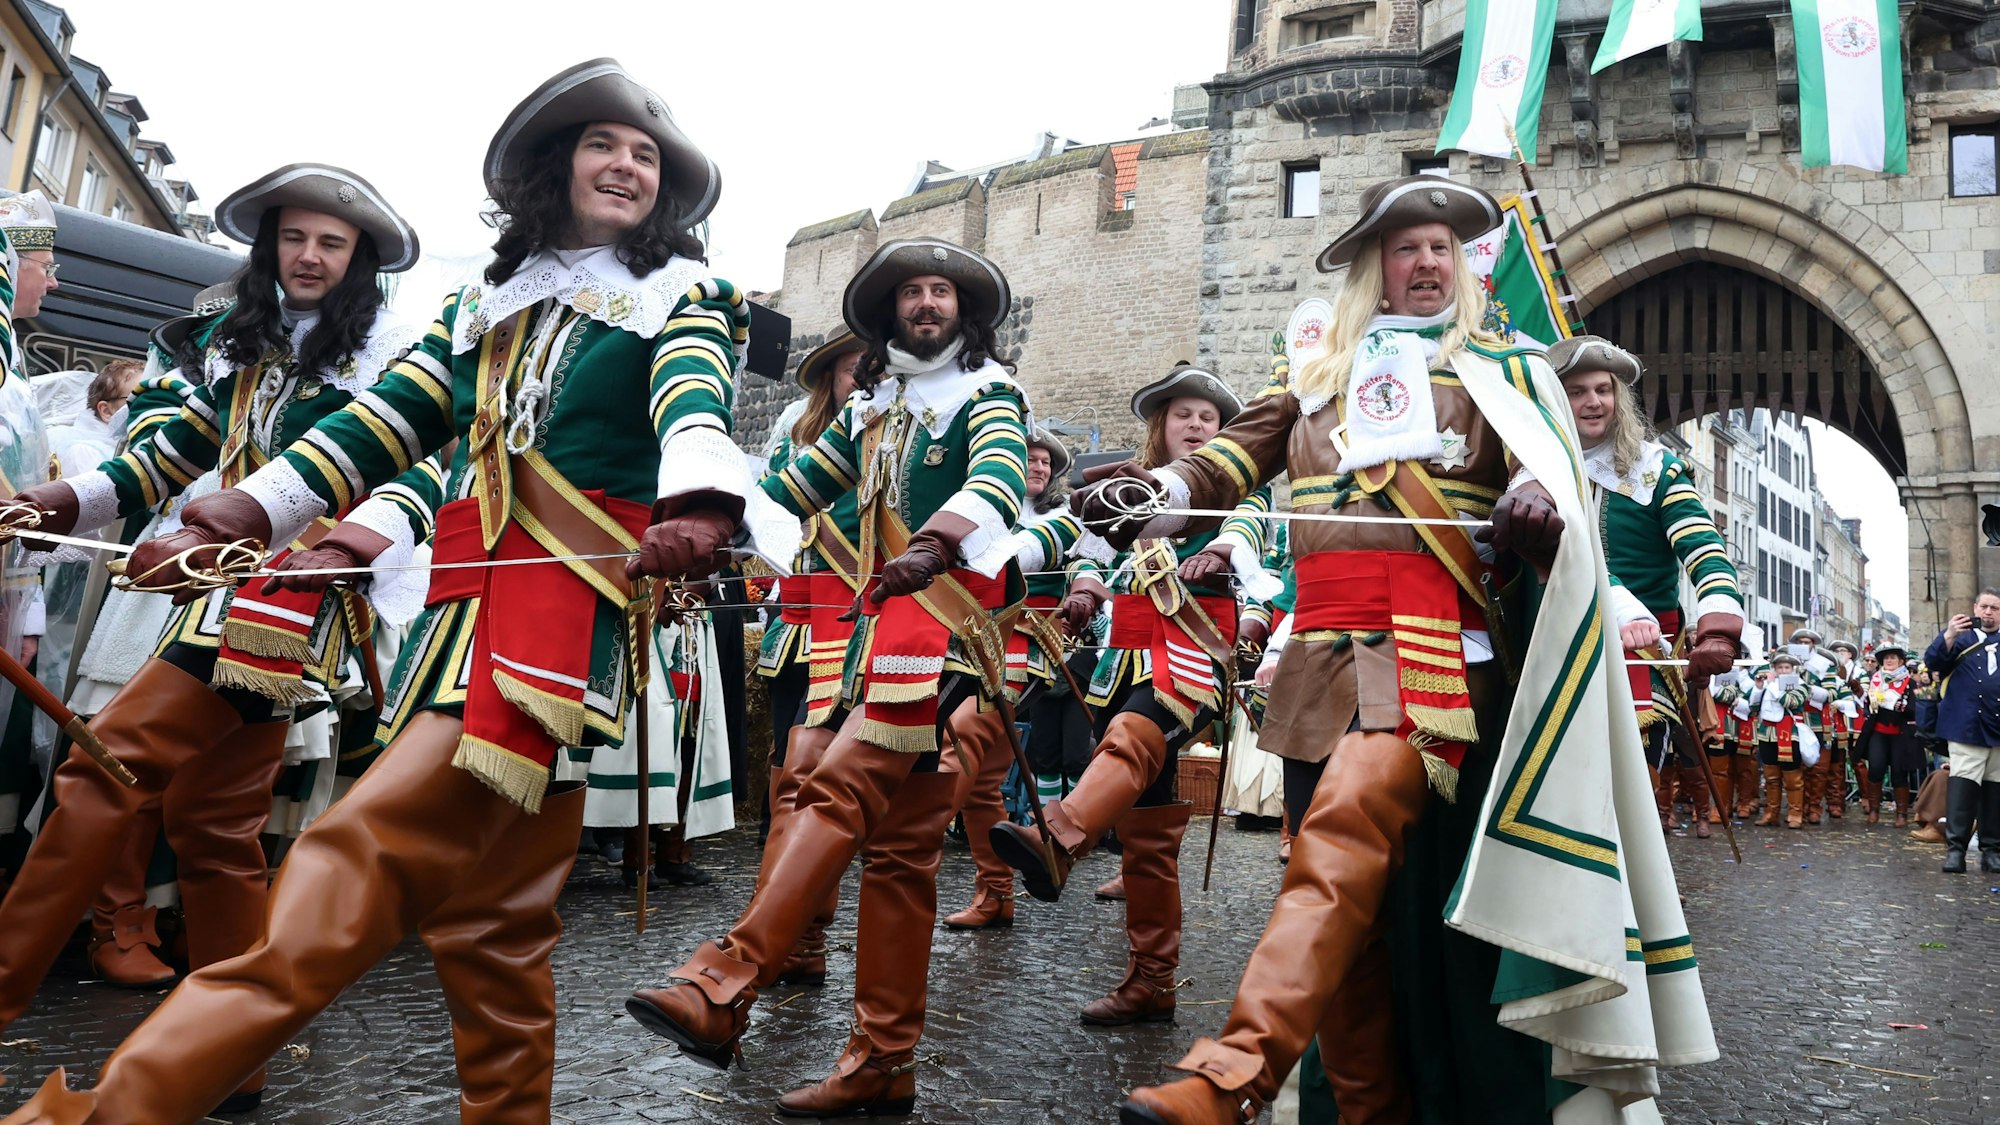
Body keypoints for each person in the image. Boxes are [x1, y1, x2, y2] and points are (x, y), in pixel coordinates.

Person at [0, 58, 791, 1124]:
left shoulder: (680, 297)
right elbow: (392, 423)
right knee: (494, 937)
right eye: (602, 145)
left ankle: (107, 1113)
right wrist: (256, 505)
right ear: (551, 173)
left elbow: (693, 395)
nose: (625, 165)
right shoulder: (486, 305)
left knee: (339, 864)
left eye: (646, 154)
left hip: (548, 641)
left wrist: (700, 501)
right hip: (454, 635)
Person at [1088, 175, 1714, 1125]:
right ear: (1374, 265)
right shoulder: (1314, 373)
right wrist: (1149, 493)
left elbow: (1560, 495)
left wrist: (1541, 508)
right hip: (1317, 664)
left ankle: (1235, 1070)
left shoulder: (1506, 366)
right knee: (1355, 927)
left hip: (1443, 656)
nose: (1427, 262)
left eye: (1442, 248)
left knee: (1343, 831)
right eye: (1407, 246)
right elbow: (1228, 461)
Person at [0, 165, 436, 1116]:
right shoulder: (248, 344)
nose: (310, 256)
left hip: (287, 600)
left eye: (332, 242)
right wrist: (49, 502)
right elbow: (161, 456)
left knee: (98, 769)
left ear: (358, 260)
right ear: (269, 246)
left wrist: (349, 545)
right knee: (216, 831)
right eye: (295, 237)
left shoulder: (391, 355)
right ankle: (237, 1060)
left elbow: (423, 470)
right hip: (213, 589)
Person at [628, 237, 1027, 1119]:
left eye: (942, 292)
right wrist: (718, 531)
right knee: (901, 855)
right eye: (913, 293)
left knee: (834, 790)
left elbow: (999, 478)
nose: (928, 303)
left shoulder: (989, 392)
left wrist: (937, 540)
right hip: (872, 638)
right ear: (890, 315)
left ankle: (726, 979)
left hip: (950, 634)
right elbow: (793, 487)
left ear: (967, 313)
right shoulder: (869, 408)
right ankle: (883, 1061)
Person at [990, 362, 1273, 1029]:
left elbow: (1255, 530)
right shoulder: (1127, 488)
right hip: (1123, 659)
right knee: (1148, 829)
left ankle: (1060, 837)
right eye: (1185, 415)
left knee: (1132, 738)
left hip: (1195, 657)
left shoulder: (1242, 490)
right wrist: (1085, 586)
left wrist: (1225, 552)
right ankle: (1151, 981)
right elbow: (1091, 547)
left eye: (1210, 417)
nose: (1198, 425)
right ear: (1160, 425)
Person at [1548, 335, 1744, 842]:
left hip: (1645, 646)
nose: (1593, 402)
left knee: (1634, 776)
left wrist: (1718, 624)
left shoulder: (1655, 468)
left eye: (1603, 389)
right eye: (1577, 392)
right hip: (1556, 636)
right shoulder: (1536, 470)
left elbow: (1703, 546)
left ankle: (1634, 889)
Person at [747, 329, 866, 987]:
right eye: (852, 370)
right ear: (830, 380)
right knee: (785, 778)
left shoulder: (891, 447)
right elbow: (764, 520)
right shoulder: (793, 449)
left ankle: (803, 934)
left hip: (860, 634)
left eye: (872, 370)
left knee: (826, 785)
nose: (862, 380)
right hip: (796, 629)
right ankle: (789, 935)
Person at [942, 423, 1087, 932]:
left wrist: (1084, 591)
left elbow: (1056, 555)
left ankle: (906, 849)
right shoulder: (982, 506)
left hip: (1023, 649)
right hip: (968, 642)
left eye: (1047, 462)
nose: (1040, 467)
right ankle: (996, 894)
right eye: (1030, 457)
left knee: (959, 740)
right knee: (984, 782)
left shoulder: (1063, 516)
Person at [1922, 588, 2000, 874]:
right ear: (1975, 608)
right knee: (1962, 791)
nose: (1988, 613)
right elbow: (1932, 662)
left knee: (1995, 794)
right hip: (1966, 727)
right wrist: (1950, 634)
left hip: (1998, 730)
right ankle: (1955, 849)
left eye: (1995, 608)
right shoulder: (1960, 639)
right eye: (1984, 607)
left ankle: (1991, 850)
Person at [1750, 651, 1813, 828]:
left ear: (1793, 670)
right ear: (1774, 669)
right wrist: (1759, 687)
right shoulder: (1769, 685)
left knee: (1792, 777)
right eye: (1780, 667)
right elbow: (1753, 707)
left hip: (1789, 734)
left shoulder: (1801, 685)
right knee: (1771, 777)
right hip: (1767, 734)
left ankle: (1795, 814)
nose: (1783, 671)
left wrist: (1772, 686)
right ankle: (1771, 813)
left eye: (1787, 667)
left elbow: (1791, 702)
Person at [1861, 645, 1920, 827]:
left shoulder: (1909, 682)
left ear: (1901, 661)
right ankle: (1873, 810)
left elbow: (1914, 710)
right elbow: (1867, 706)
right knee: (1876, 769)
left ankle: (1901, 814)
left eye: (1893, 657)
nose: (1889, 660)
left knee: (1898, 773)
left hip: (1900, 733)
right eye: (1886, 658)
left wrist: (1898, 706)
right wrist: (1870, 704)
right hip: (1878, 731)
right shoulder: (1875, 679)